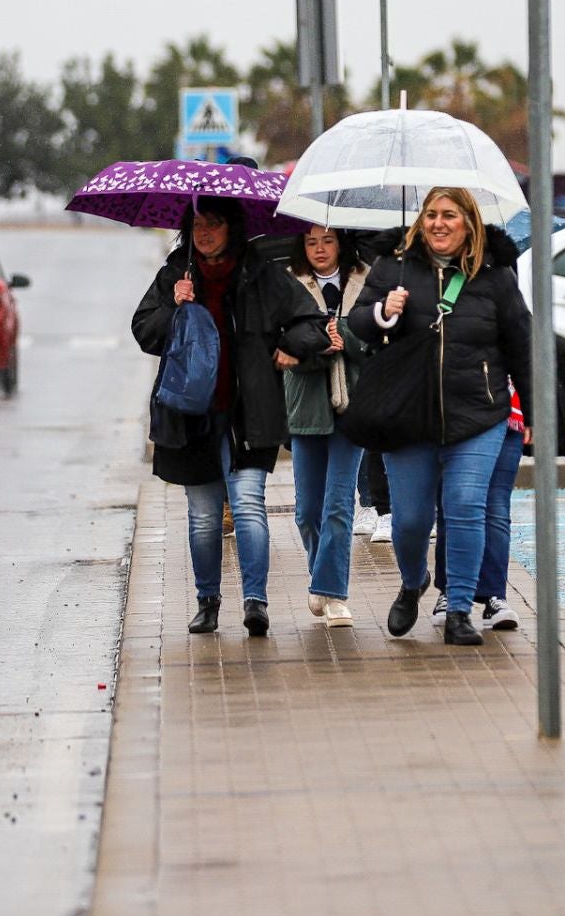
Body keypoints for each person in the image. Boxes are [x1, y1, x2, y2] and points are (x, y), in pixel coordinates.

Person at [348, 186, 534, 646]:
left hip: (478, 412)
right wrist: (383, 312)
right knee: (410, 521)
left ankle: (458, 610)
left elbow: (522, 344)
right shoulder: (394, 265)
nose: (438, 223)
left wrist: (535, 409)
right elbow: (356, 323)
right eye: (430, 214)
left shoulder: (494, 274)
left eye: (449, 215)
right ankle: (413, 583)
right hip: (408, 414)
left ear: (468, 223)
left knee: (466, 508)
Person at [132, 197, 310, 637]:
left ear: (231, 228)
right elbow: (143, 331)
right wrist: (175, 307)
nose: (204, 232)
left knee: (248, 505)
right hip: (192, 419)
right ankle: (207, 601)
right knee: (205, 517)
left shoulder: (261, 274)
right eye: (197, 225)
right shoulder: (176, 274)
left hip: (249, 414)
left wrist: (290, 346)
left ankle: (255, 603)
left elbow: (310, 320)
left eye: (213, 224)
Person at [277, 224, 370, 628]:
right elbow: (279, 346)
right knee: (307, 510)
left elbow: (378, 339)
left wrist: (344, 335)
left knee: (338, 504)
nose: (319, 249)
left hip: (355, 406)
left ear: (341, 243)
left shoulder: (367, 281)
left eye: (327, 240)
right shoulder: (286, 283)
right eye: (311, 241)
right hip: (305, 405)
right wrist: (317, 344)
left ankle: (332, 593)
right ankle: (322, 578)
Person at [430, 383, 525, 632]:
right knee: (454, 502)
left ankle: (494, 595)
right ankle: (450, 591)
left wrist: (535, 412)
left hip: (508, 409)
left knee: (497, 508)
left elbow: (526, 356)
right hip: (454, 409)